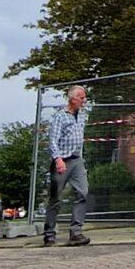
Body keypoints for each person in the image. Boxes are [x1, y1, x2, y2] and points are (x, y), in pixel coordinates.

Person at [40, 84, 91, 247]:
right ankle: (49, 234)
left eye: (84, 98)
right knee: (56, 197)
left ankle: (75, 233)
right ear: (72, 98)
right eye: (82, 98)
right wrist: (58, 159)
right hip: (62, 160)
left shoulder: (82, 115)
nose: (84, 101)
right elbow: (53, 140)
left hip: (77, 160)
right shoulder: (60, 116)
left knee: (83, 192)